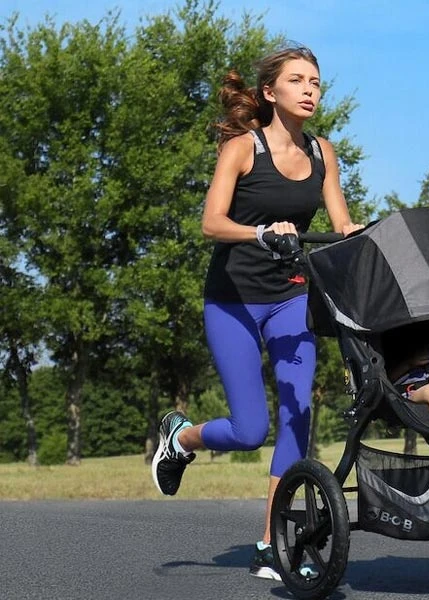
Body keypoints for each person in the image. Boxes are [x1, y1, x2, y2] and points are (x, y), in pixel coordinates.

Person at [150, 45, 362, 581]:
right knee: (250, 429)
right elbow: (211, 224)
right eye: (298, 80)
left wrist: (359, 235)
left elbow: (340, 223)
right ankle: (181, 438)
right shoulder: (243, 149)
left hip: (291, 297)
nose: (311, 89)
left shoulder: (323, 154)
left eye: (316, 80)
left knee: (297, 417)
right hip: (233, 300)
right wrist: (262, 232)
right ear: (271, 92)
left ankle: (272, 543)